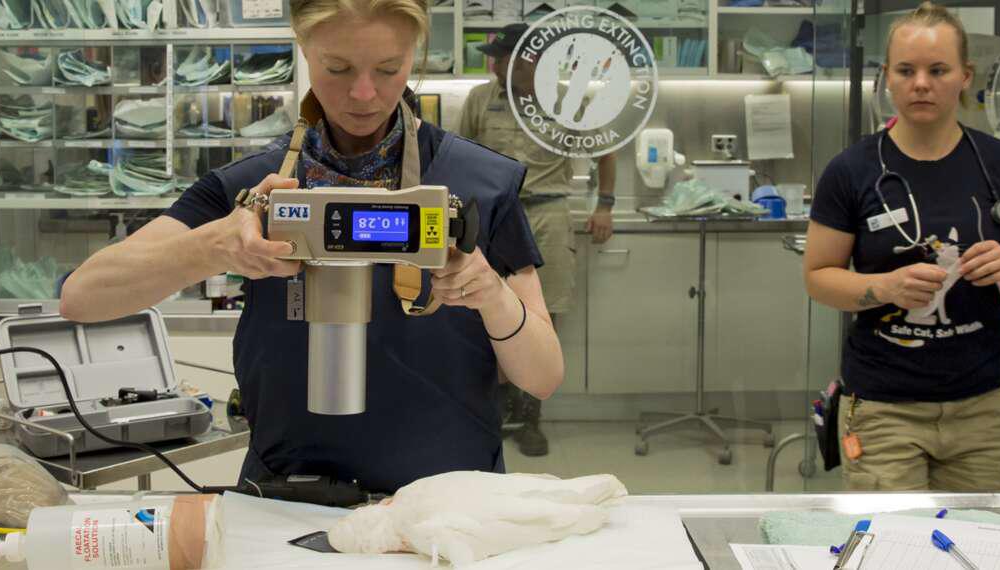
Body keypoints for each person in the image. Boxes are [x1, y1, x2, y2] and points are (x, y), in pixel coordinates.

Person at [58, 0, 563, 494]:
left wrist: (493, 296)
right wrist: (213, 247)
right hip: (288, 500)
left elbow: (542, 377)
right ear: (303, 46)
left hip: (447, 501)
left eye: (388, 69)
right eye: (338, 67)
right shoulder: (256, 188)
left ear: (416, 51)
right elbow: (82, 297)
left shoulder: (479, 186)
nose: (363, 94)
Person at [801, 1, 1000, 492]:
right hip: (883, 407)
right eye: (906, 70)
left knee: (981, 546)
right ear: (887, 78)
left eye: (938, 70)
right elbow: (818, 276)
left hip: (980, 406)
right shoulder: (852, 171)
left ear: (965, 76)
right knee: (894, 548)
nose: (921, 83)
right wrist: (886, 286)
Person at [456, 23, 618, 457]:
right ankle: (496, 410)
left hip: (548, 213)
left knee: (545, 315)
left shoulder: (570, 100)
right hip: (493, 219)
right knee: (487, 311)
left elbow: (606, 150)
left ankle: (530, 418)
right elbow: (460, 157)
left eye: (502, 57)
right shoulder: (480, 98)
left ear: (531, 60)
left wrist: (605, 204)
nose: (493, 65)